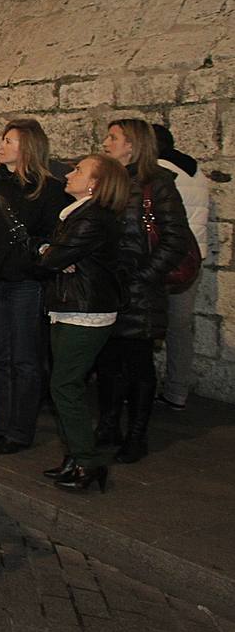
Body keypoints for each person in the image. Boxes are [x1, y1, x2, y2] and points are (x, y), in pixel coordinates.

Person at [0, 119, 68, 455]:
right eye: (3, 139)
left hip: (25, 282)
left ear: (26, 147)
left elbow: (51, 238)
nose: (1, 145)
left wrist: (31, 263)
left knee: (24, 359)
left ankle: (20, 430)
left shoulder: (49, 190)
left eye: (9, 140)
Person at [33, 154, 130, 492]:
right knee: (65, 385)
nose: (70, 174)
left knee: (65, 386)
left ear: (95, 184)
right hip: (71, 307)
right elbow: (53, 254)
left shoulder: (92, 219)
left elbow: (52, 259)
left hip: (85, 312)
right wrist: (51, 252)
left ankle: (87, 462)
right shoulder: (77, 216)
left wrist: (52, 255)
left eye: (78, 170)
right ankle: (75, 457)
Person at [97, 120, 189, 463]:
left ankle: (136, 436)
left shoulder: (158, 184)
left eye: (114, 137)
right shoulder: (109, 181)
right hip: (107, 290)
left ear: (133, 145)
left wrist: (144, 277)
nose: (106, 142)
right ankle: (108, 426)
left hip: (139, 292)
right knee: (106, 362)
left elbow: (176, 238)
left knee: (137, 365)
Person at [153, 124, 209, 411]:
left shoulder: (158, 173)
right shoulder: (194, 171)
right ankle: (177, 392)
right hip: (191, 259)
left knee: (145, 326)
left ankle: (139, 387)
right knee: (179, 327)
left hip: (164, 259)